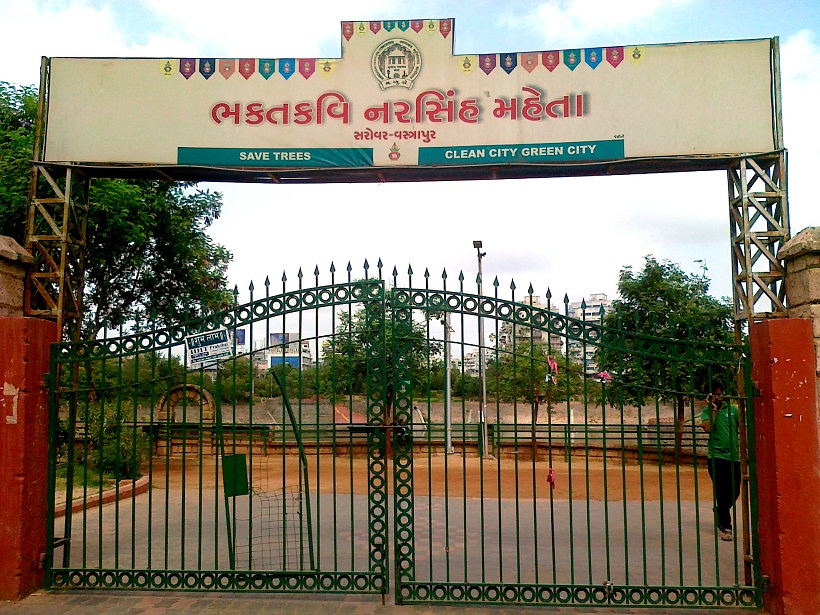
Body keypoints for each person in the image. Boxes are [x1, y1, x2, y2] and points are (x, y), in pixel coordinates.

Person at [700, 383, 741, 541]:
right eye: (713, 395)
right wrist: (713, 411)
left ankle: (719, 511)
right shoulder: (706, 412)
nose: (717, 397)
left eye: (719, 394)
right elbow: (708, 428)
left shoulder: (732, 410)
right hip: (716, 457)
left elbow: (741, 424)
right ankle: (726, 527)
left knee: (735, 492)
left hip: (734, 457)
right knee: (722, 492)